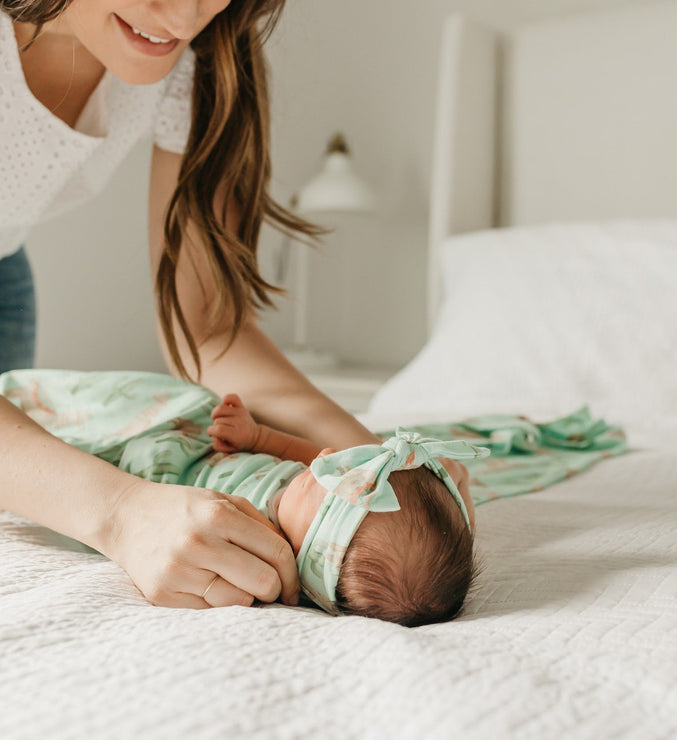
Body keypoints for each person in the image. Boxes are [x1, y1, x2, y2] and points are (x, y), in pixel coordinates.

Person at [0, 1, 471, 610]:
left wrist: (378, 471)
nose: (187, 11)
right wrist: (120, 512)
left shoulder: (201, 52)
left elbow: (209, 331)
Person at [1, 369, 487, 625]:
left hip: (160, 469)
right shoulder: (313, 477)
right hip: (196, 441)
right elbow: (293, 449)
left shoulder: (258, 546)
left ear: (312, 559)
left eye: (320, 493)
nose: (318, 466)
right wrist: (256, 436)